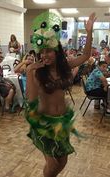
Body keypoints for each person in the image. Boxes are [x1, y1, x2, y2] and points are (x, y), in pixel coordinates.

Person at [25, 12, 96, 177]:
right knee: (52, 164)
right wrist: (29, 71)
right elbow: (31, 100)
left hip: (61, 123)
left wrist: (89, 31)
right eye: (41, 52)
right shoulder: (37, 73)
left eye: (48, 51)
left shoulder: (65, 67)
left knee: (62, 161)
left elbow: (86, 55)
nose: (44, 55)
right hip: (43, 124)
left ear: (57, 51)